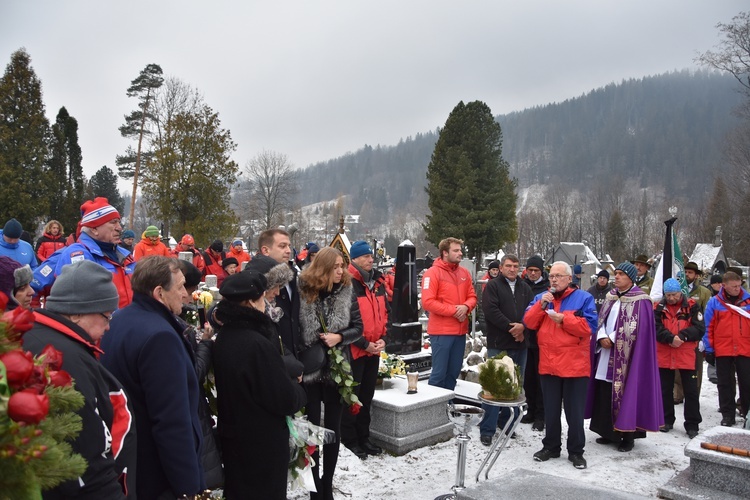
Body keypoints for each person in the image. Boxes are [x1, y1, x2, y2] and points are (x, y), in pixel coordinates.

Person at [23, 260, 136, 498]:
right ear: (76, 313)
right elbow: (85, 458)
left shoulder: (29, 333)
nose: (108, 327)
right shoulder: (66, 360)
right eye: (107, 316)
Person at [101, 256, 205, 499]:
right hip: (158, 475)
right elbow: (171, 421)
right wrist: (189, 488)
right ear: (159, 292)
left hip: (131, 461)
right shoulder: (161, 337)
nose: (186, 295)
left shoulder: (120, 319)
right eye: (180, 287)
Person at [213, 271, 307, 499]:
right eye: (261, 299)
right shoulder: (256, 343)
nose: (265, 304)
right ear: (250, 303)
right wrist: (297, 388)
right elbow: (283, 399)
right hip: (261, 445)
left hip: (235, 441)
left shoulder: (225, 335)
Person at [298, 247, 363, 500]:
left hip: (337, 371)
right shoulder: (304, 291)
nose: (340, 271)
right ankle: (314, 486)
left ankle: (327, 484)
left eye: (342, 265)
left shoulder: (347, 290)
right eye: (335, 266)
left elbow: (359, 327)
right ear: (322, 268)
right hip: (312, 372)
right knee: (313, 430)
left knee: (333, 431)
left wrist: (340, 337)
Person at [523, 261, 597, 469]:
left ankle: (575, 451)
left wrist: (564, 319)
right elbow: (528, 322)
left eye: (558, 276)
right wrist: (540, 305)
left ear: (569, 278)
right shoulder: (541, 298)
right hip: (549, 364)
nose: (553, 279)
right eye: (552, 276)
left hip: (575, 366)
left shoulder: (584, 298)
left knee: (574, 413)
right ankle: (551, 447)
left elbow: (589, 327)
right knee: (551, 410)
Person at [586, 262, 663, 452]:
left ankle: (627, 436)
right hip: (605, 353)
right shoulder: (610, 296)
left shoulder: (641, 300)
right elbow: (601, 319)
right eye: (616, 274)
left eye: (621, 274)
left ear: (631, 277)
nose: (617, 277)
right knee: (605, 389)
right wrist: (602, 336)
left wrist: (613, 338)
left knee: (627, 391)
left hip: (628, 358)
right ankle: (607, 431)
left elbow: (639, 329)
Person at [31, 198, 135, 308]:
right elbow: (32, 288)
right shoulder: (70, 255)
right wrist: (37, 320)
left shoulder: (127, 257)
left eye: (118, 222)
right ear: (94, 229)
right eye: (113, 222)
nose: (119, 228)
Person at [479, 254, 534, 445]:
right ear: (501, 268)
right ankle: (487, 428)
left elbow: (532, 312)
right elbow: (491, 311)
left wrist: (523, 328)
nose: (512, 269)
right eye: (509, 266)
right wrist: (513, 328)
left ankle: (508, 423)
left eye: (516, 266)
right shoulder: (493, 286)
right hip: (499, 343)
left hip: (520, 344)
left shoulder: (525, 288)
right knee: (494, 386)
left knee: (515, 386)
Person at [341, 241, 389, 459]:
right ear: (355, 259)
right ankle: (349, 440)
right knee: (353, 398)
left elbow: (385, 314)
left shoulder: (377, 282)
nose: (371, 259)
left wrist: (383, 339)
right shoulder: (348, 283)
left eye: (371, 256)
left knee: (367, 396)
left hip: (374, 349)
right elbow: (344, 321)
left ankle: (364, 437)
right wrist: (363, 343)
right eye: (366, 256)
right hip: (355, 349)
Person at [422, 237, 477, 391]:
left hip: (459, 332)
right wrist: (455, 311)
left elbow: (472, 297)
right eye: (456, 250)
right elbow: (428, 302)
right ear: (445, 253)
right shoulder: (432, 273)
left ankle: (448, 407)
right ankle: (434, 410)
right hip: (442, 332)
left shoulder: (464, 273)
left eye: (460, 250)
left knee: (453, 373)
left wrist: (466, 307)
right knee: (439, 374)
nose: (460, 253)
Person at [654, 278, 704, 438]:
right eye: (668, 295)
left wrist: (682, 336)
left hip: (686, 353)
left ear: (680, 293)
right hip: (665, 353)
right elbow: (655, 327)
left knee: (690, 391)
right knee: (665, 390)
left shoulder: (692, 306)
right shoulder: (658, 307)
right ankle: (666, 419)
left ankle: (692, 424)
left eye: (674, 295)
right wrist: (670, 338)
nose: (671, 298)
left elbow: (699, 328)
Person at [703, 271, 750, 426]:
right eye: (734, 286)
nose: (738, 289)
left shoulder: (748, 300)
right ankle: (727, 414)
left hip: (745, 348)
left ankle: (747, 412)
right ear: (724, 286)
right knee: (725, 384)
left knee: (746, 382)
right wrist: (709, 349)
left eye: (739, 285)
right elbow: (708, 327)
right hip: (723, 349)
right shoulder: (714, 303)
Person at [674, 261, 712, 404]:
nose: (687, 275)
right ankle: (677, 394)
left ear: (696, 275)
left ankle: (693, 394)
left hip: (696, 334)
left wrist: (704, 338)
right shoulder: (677, 290)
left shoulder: (704, 292)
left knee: (695, 367)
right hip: (678, 334)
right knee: (677, 366)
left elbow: (708, 316)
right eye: (685, 272)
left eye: (690, 273)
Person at [258, 228, 300, 356]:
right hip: (272, 357)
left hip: (295, 356)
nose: (288, 251)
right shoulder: (256, 279)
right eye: (282, 246)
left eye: (289, 246)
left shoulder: (293, 276)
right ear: (265, 250)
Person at [521, 255, 549, 431]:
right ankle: (530, 410)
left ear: (541, 271)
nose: (532, 273)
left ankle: (541, 415)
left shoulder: (547, 288)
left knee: (541, 380)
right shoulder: (521, 284)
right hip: (525, 338)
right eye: (530, 270)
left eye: (536, 270)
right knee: (528, 379)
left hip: (542, 339)